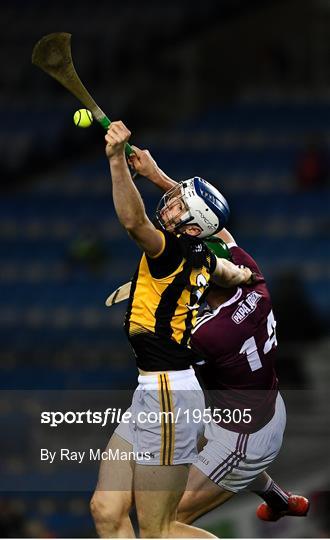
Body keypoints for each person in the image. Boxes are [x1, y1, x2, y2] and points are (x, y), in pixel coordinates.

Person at [91, 143, 309, 538]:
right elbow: (214, 224)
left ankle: (258, 484)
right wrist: (157, 176)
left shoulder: (207, 334)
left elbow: (166, 313)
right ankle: (277, 497)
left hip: (245, 433)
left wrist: (145, 291)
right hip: (240, 401)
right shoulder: (247, 270)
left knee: (165, 524)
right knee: (118, 507)